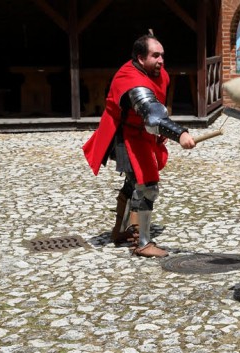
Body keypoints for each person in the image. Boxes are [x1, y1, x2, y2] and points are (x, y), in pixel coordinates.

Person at [82, 33, 196, 258]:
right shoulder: (132, 81)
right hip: (127, 135)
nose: (161, 60)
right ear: (140, 58)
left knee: (133, 182)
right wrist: (180, 133)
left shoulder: (153, 71)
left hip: (140, 133)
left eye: (162, 55)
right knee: (147, 185)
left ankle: (120, 231)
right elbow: (153, 116)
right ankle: (142, 243)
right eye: (155, 55)